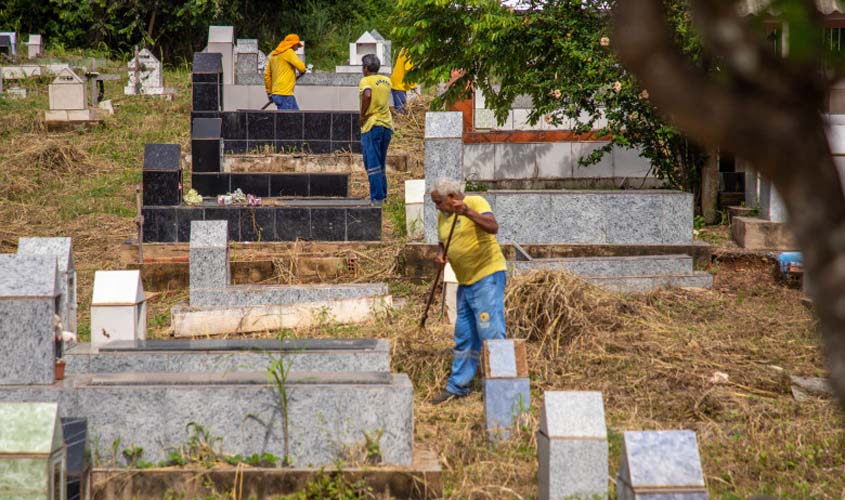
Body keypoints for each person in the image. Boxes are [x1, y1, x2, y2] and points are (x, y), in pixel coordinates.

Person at [430, 178, 508, 404]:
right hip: (465, 282)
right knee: (464, 333)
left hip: (487, 276)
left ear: (453, 198)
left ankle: (501, 387)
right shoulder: (443, 216)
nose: (437, 207)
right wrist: (440, 254)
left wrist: (467, 212)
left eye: (439, 202)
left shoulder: (476, 201)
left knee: (490, 331)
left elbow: (493, 227)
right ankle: (458, 386)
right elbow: (444, 240)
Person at [358, 54, 393, 204]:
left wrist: (362, 114)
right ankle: (383, 196)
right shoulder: (386, 80)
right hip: (386, 125)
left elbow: (367, 95)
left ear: (365, 68)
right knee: (380, 163)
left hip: (372, 124)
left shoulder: (365, 80)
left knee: (372, 164)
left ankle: (377, 199)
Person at [264, 34, 306, 110]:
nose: (297, 48)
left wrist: (269, 93)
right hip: (285, 94)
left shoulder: (274, 55)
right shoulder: (288, 52)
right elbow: (302, 68)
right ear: (292, 44)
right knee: (287, 120)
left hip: (277, 94)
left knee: (297, 118)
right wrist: (302, 71)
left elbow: (267, 75)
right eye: (297, 45)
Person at [389, 48, 416, 114]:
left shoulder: (405, 49)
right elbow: (408, 69)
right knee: (400, 110)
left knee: (402, 107)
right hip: (399, 84)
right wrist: (413, 85)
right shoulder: (409, 51)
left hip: (398, 82)